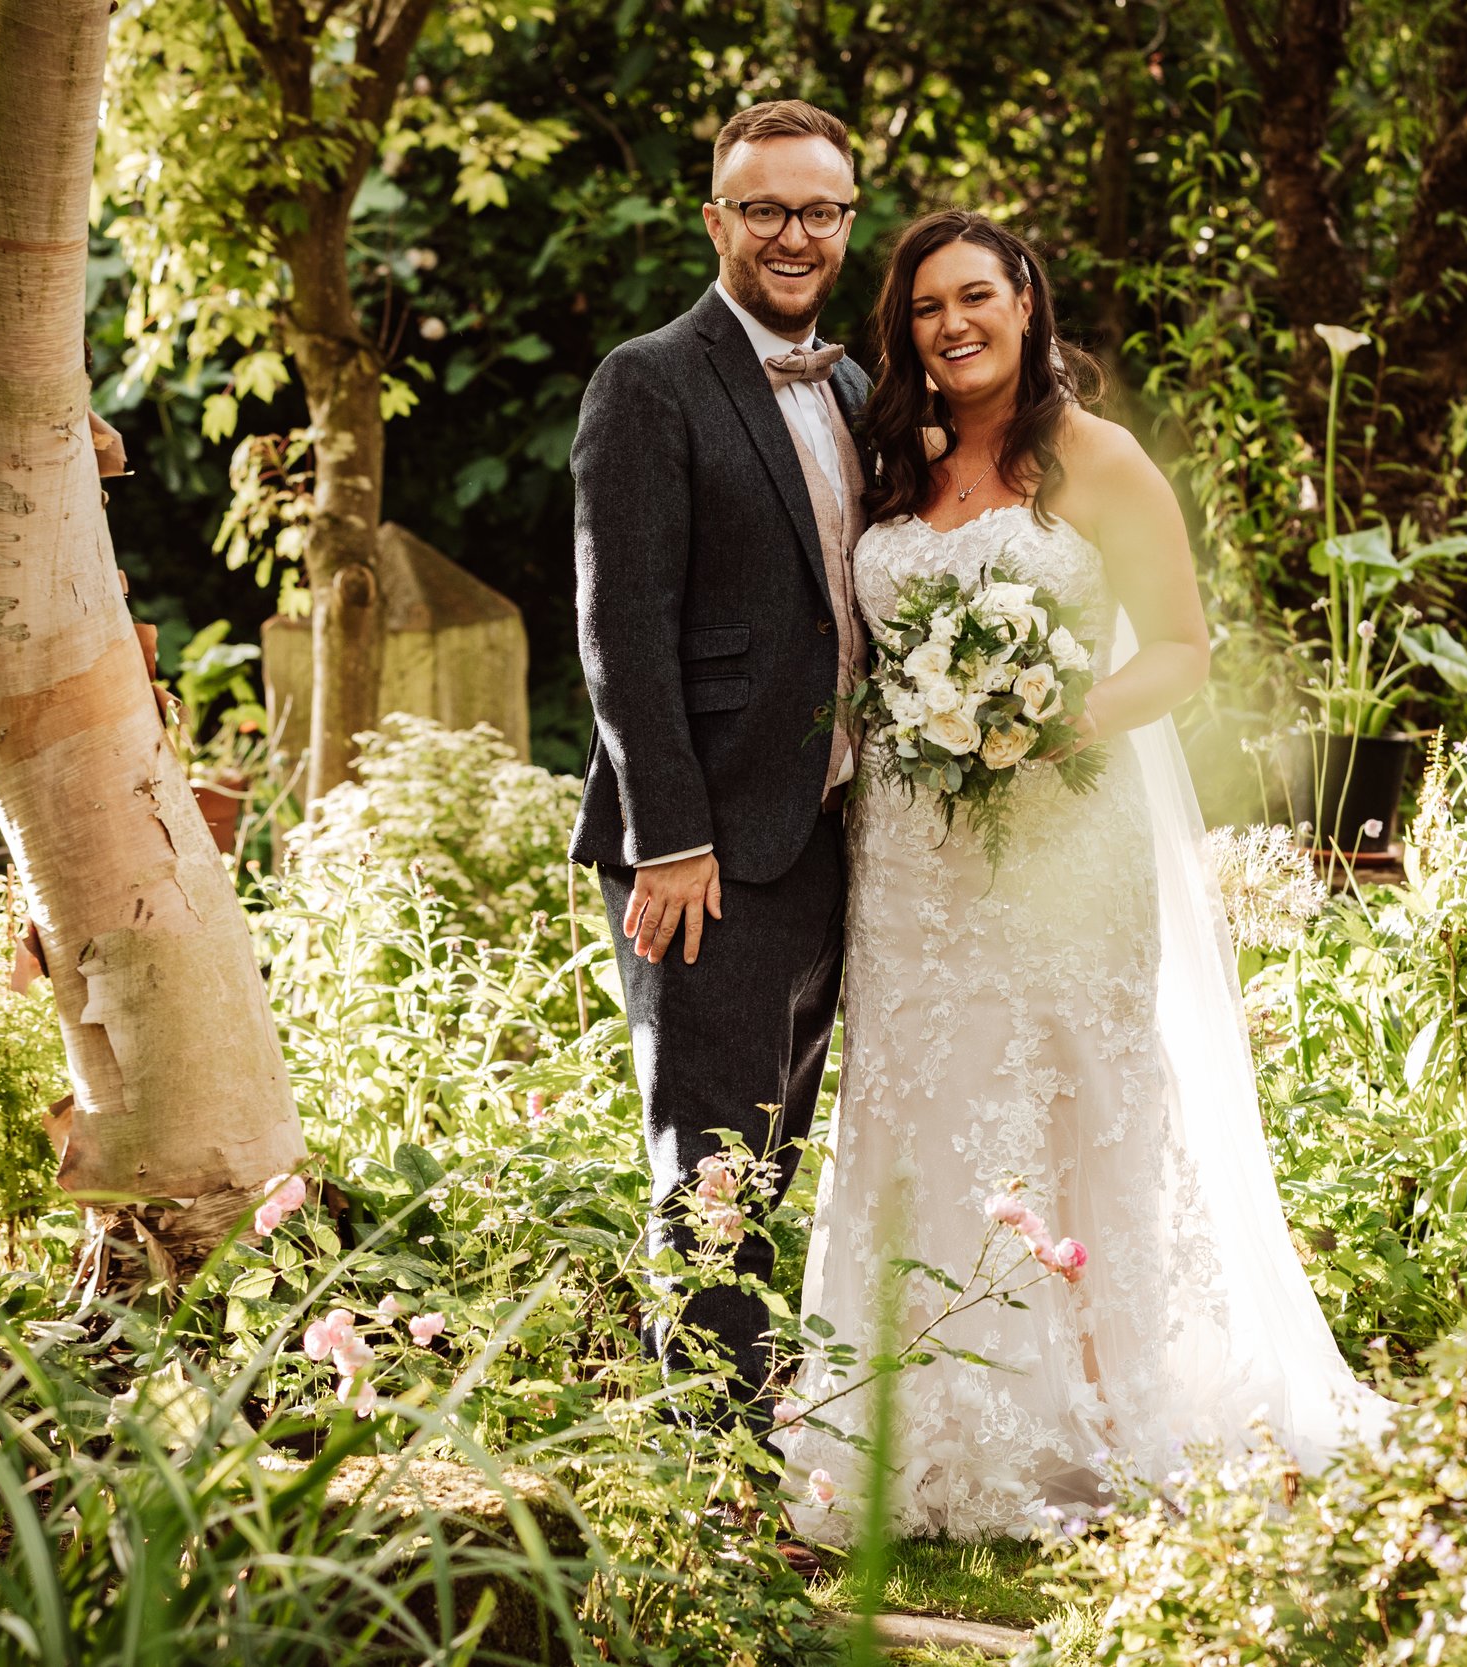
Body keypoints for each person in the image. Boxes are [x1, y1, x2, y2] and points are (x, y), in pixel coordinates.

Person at [779, 211, 1386, 1542]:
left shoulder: (1099, 461)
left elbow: (1180, 649)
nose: (955, 324)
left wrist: (1060, 719)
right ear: (907, 332)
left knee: (1075, 1099)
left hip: (1068, 834)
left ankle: (1112, 1418)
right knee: (921, 1101)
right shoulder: (898, 465)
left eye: (977, 296)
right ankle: (920, 1427)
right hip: (914, 852)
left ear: (1025, 299)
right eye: (929, 306)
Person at [567, 98, 871, 1416]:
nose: (793, 235)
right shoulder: (649, 378)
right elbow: (620, 626)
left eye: (820, 211)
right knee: (708, 1165)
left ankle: (722, 1445)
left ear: (847, 225)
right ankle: (706, 1491)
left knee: (773, 1148)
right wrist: (670, 837)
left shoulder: (858, 384)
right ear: (717, 221)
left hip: (828, 835)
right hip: (698, 850)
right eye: (766, 209)